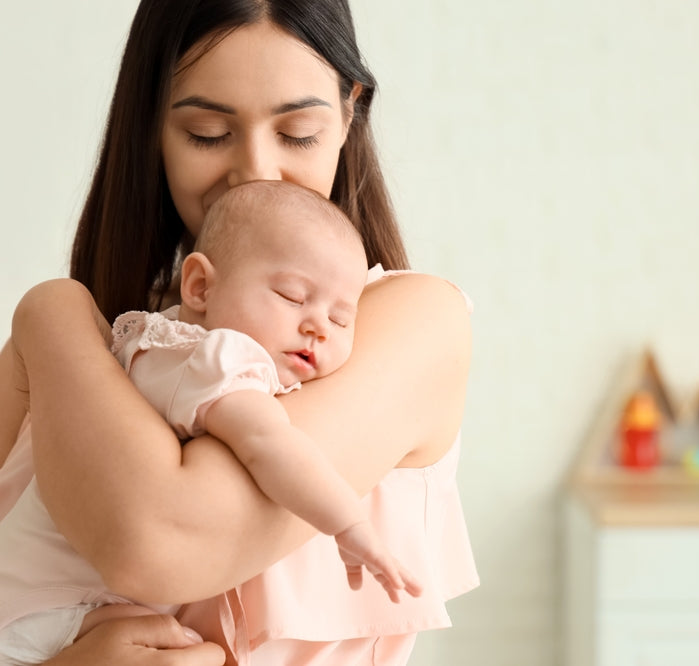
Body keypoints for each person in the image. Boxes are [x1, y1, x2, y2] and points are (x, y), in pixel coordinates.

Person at [0, 0, 478, 664]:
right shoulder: (100, 343)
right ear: (152, 128)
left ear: (348, 114)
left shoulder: (408, 322)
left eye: (298, 133)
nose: (256, 171)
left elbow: (162, 543)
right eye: (207, 133)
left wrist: (48, 313)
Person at [1, 179, 428, 664]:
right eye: (292, 296)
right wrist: (349, 525)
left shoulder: (150, 350)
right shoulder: (210, 356)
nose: (317, 327)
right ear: (201, 287)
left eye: (340, 319)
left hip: (31, 603)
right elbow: (271, 444)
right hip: (49, 611)